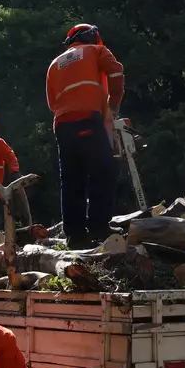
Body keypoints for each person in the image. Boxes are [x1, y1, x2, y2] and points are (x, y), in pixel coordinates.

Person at [46, 23, 125, 249]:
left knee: (72, 179)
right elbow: (116, 71)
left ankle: (75, 235)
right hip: (88, 119)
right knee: (105, 169)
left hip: (62, 124)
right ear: (92, 36)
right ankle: (99, 226)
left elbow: (52, 102)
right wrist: (114, 104)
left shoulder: (54, 64)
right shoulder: (97, 51)